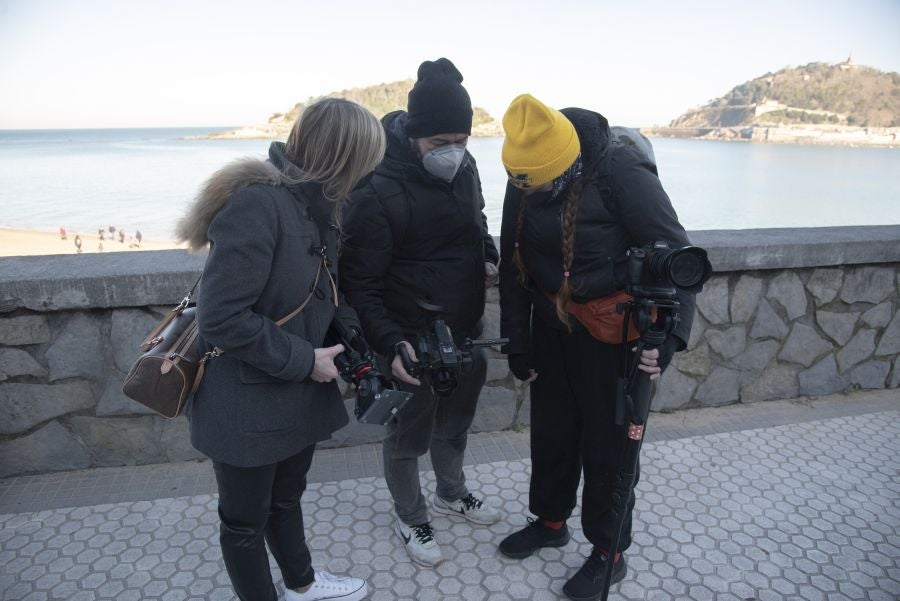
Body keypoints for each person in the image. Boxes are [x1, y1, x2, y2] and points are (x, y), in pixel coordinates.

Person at [174, 98, 385, 601]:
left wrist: (353, 340)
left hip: (294, 393)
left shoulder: (317, 206)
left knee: (286, 500)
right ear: (342, 157)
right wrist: (303, 360)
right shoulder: (257, 204)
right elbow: (221, 316)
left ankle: (303, 584)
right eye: (365, 163)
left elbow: (325, 290)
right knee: (245, 521)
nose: (369, 175)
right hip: (244, 400)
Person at [496, 94, 697, 601]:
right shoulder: (522, 175)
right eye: (526, 184)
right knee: (553, 434)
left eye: (542, 183)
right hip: (552, 328)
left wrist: (669, 339)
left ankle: (610, 551)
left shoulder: (620, 173)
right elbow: (511, 266)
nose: (532, 191)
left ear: (564, 165)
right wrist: (519, 343)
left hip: (615, 334)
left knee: (610, 449)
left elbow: (680, 259)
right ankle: (550, 521)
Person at [340, 58, 501, 567]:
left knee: (456, 423)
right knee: (407, 434)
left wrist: (489, 254)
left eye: (462, 140)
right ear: (413, 134)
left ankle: (451, 492)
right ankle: (411, 516)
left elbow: (475, 220)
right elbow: (359, 285)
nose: (452, 153)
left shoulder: (467, 167)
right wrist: (390, 344)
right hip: (409, 338)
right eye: (440, 143)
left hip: (464, 329)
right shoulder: (376, 191)